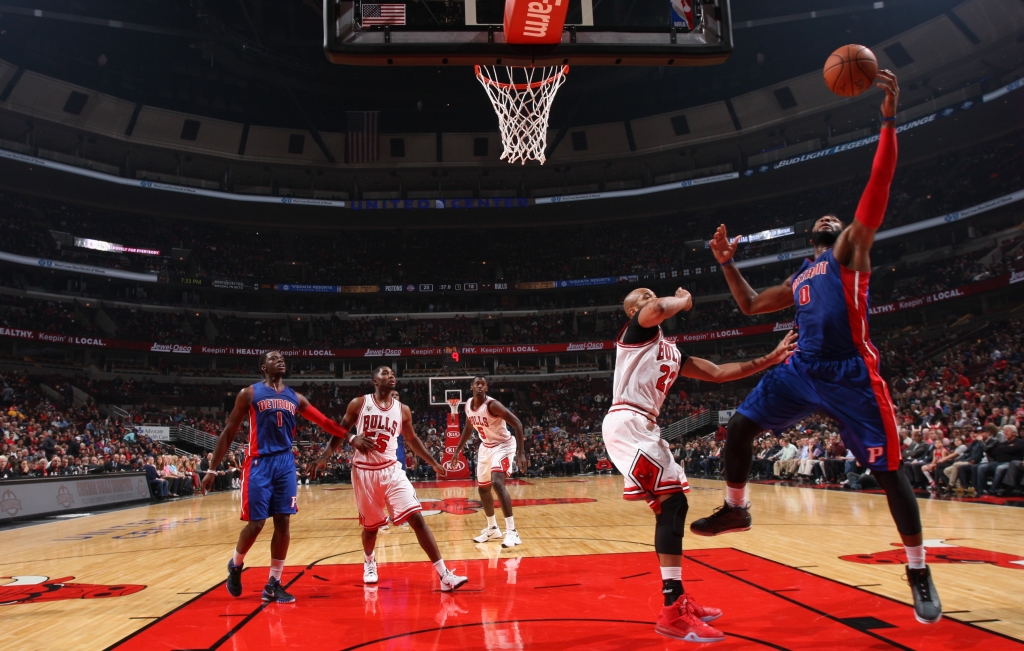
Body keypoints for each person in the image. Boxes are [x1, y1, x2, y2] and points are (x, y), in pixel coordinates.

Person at [688, 71, 942, 625]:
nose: (830, 220)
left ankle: (918, 568)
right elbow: (753, 307)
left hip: (852, 373)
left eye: (835, 217)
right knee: (738, 427)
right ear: (811, 237)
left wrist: (889, 118)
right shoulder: (802, 276)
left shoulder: (849, 251)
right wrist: (727, 263)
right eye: (821, 221)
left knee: (888, 471)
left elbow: (878, 185)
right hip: (802, 368)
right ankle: (736, 510)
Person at [602, 286, 797, 643]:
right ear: (632, 312)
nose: (648, 295)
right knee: (673, 502)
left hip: (645, 425)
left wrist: (769, 359)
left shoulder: (672, 351)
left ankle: (676, 600)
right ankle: (672, 611)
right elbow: (660, 306)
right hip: (627, 420)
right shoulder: (637, 331)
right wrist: (687, 301)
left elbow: (720, 372)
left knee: (673, 505)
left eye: (649, 292)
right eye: (640, 296)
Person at [202, 350, 348, 604]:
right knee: (256, 524)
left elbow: (324, 422)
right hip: (258, 463)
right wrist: (212, 469)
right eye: (273, 358)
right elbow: (228, 432)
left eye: (282, 357)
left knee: (283, 521)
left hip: (284, 463)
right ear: (263, 368)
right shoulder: (249, 393)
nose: (280, 360)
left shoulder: (295, 397)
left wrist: (352, 437)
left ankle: (273, 583)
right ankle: (235, 565)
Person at [310, 366, 468, 592]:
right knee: (371, 528)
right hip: (365, 472)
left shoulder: (403, 410)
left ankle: (444, 575)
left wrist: (433, 462)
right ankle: (369, 561)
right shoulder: (359, 404)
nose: (391, 376)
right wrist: (325, 456)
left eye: (393, 373)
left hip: (392, 471)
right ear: (374, 380)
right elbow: (339, 431)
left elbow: (412, 440)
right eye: (385, 373)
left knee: (416, 517)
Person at [452, 376, 528, 548]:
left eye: (483, 384)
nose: (479, 386)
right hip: (486, 447)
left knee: (497, 483)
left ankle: (512, 532)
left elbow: (517, 423)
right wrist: (457, 450)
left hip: (503, 445)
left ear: (486, 388)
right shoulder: (468, 405)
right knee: (483, 488)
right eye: (477, 383)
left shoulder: (493, 405)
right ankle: (492, 528)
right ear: (472, 386)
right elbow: (468, 428)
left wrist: (522, 453)